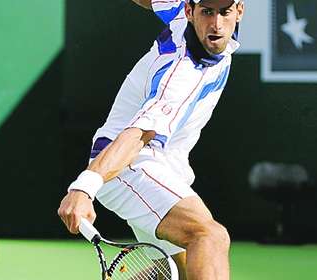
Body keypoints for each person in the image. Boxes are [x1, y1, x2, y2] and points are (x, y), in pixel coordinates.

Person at [58, 0, 244, 279]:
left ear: (239, 11)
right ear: (191, 13)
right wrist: (84, 187)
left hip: (168, 164)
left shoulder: (182, 10)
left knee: (178, 271)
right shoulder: (181, 75)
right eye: (207, 12)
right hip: (126, 163)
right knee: (209, 237)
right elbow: (137, 136)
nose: (216, 24)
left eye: (224, 12)